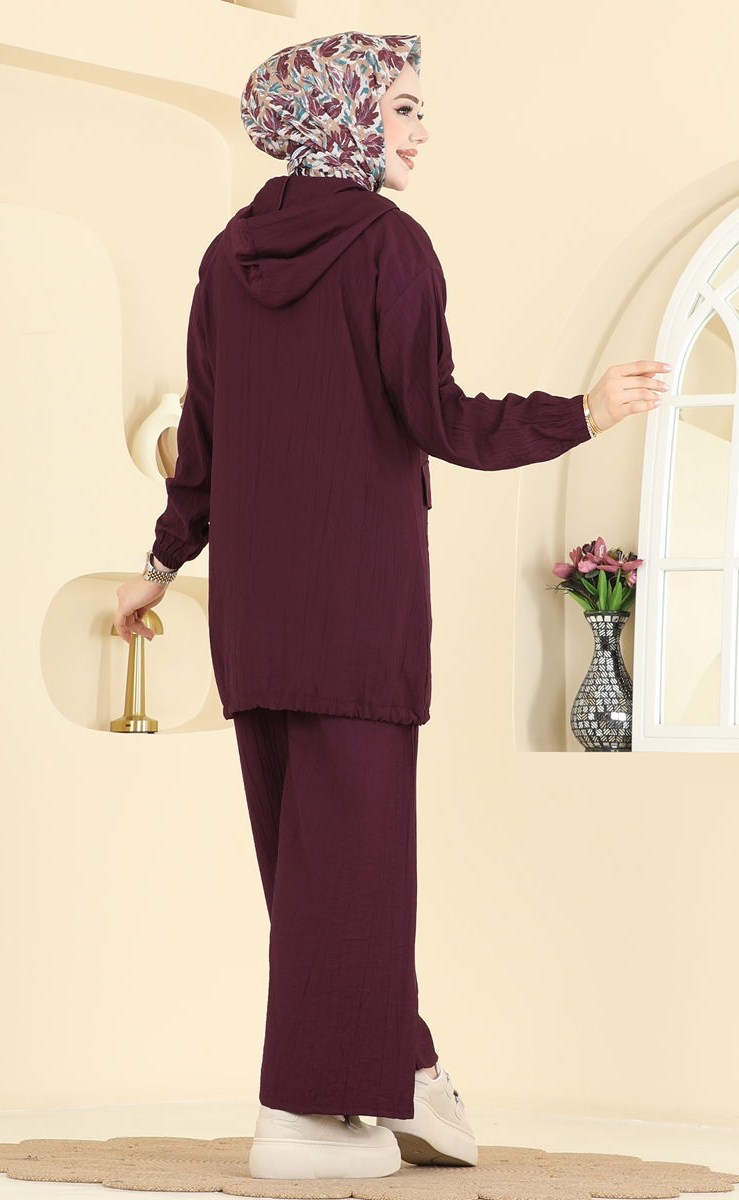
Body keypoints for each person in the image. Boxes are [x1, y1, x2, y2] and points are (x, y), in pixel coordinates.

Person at [113, 30, 671, 1181]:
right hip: (356, 609)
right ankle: (302, 1118)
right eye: (402, 108)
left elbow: (200, 445)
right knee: (354, 871)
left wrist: (162, 567)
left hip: (255, 615)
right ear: (341, 115)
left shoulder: (225, 256)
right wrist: (581, 413)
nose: (420, 132)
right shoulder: (388, 243)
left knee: (308, 871)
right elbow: (439, 416)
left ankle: (399, 1067)